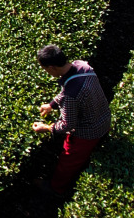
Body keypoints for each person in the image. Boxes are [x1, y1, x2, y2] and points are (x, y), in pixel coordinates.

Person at [31, 44, 110, 198]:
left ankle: (56, 188)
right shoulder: (82, 66)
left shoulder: (71, 96)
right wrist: (52, 105)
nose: (47, 72)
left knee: (68, 161)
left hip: (87, 133)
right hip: (104, 118)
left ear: (52, 67)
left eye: (45, 69)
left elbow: (68, 124)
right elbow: (68, 87)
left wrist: (47, 128)